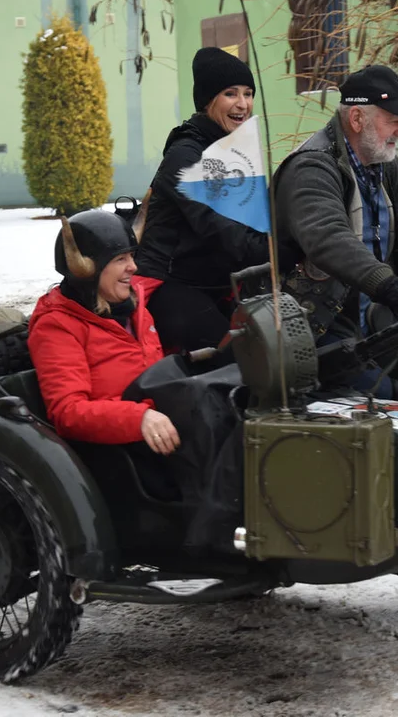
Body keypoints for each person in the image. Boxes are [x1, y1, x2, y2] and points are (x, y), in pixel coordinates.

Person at [272, 64, 398, 396]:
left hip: (375, 324)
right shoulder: (312, 166)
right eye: (394, 120)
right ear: (357, 120)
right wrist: (388, 285)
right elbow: (328, 238)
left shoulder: (385, 168)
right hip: (318, 328)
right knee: (387, 395)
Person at [28, 210, 182, 494]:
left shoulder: (133, 307)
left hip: (162, 432)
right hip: (116, 459)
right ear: (89, 269)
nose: (133, 267)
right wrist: (139, 418)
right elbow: (68, 412)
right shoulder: (57, 325)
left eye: (132, 256)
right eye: (120, 259)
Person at [134, 46, 272, 355]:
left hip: (219, 284)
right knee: (240, 358)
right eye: (231, 94)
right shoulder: (186, 157)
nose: (243, 104)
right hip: (170, 285)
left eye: (248, 94)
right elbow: (227, 232)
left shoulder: (232, 152)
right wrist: (282, 250)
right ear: (208, 101)